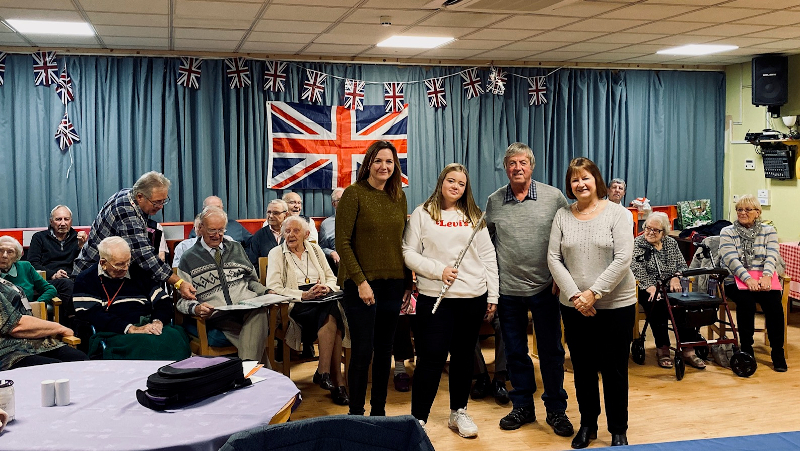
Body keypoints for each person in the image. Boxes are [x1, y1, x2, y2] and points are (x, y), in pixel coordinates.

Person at [403, 163, 499, 437]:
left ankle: (459, 411)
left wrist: (493, 294)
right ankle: (418, 418)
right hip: (435, 297)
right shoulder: (423, 213)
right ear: (441, 182)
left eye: (461, 183)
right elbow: (408, 252)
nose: (455, 186)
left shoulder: (473, 216)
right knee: (431, 358)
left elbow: (488, 258)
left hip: (472, 297)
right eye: (451, 180)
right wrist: (438, 270)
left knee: (463, 357)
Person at [547, 157, 636, 448]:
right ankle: (588, 424)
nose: (580, 184)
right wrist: (575, 295)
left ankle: (618, 429)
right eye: (574, 180)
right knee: (583, 368)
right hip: (574, 307)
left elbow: (623, 258)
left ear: (597, 180)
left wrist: (593, 293)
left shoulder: (618, 214)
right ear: (569, 186)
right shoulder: (562, 215)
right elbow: (553, 258)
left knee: (614, 369)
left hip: (616, 305)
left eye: (585, 178)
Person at [485, 142, 573, 437]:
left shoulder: (554, 197)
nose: (518, 168)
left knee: (551, 352)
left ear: (531, 166)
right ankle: (522, 405)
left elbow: (567, 239)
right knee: (515, 353)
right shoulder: (494, 201)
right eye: (512, 163)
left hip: (546, 289)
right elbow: (488, 246)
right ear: (506, 167)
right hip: (509, 291)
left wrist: (562, 278)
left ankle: (556, 409)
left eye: (523, 162)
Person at [336, 140, 411, 417]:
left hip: (393, 283)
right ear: (368, 163)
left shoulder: (398, 197)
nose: (384, 166)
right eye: (378, 160)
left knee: (385, 351)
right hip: (360, 285)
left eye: (389, 161)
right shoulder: (353, 194)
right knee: (363, 351)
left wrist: (407, 281)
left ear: (395, 166)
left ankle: (378, 411)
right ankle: (356, 412)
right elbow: (343, 244)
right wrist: (361, 282)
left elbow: (402, 242)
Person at [72, 171, 197, 301]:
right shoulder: (126, 211)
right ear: (140, 197)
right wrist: (179, 283)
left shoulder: (129, 194)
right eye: (156, 202)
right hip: (94, 276)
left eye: (163, 201)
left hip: (110, 273)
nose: (160, 207)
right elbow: (144, 255)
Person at [266, 215, 350, 406]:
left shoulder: (315, 249)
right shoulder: (276, 253)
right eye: (287, 231)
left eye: (296, 231)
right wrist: (303, 296)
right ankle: (337, 383)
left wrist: (326, 288)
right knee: (333, 314)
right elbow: (273, 287)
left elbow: (331, 278)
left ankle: (325, 373)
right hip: (296, 304)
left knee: (330, 308)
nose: (291, 235)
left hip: (321, 297)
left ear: (306, 234)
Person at [177, 206, 274, 364]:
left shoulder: (236, 248)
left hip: (247, 307)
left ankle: (246, 372)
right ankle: (252, 373)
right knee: (250, 335)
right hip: (218, 315)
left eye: (221, 230)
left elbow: (251, 281)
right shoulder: (188, 258)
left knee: (260, 312)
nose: (217, 235)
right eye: (212, 230)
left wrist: (267, 292)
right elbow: (182, 301)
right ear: (200, 228)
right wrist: (196, 308)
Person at [72, 237, 190, 360]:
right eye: (119, 264)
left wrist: (158, 321)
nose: (125, 268)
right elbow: (92, 315)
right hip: (116, 331)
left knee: (176, 337)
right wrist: (131, 328)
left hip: (148, 325)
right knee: (146, 346)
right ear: (103, 263)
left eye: (128, 262)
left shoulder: (138, 272)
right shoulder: (86, 279)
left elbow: (163, 301)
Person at [719, 194, 786, 372]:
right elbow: (731, 260)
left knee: (774, 305)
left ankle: (777, 352)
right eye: (739, 209)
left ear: (757, 212)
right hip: (736, 279)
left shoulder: (768, 231)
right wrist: (747, 279)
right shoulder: (727, 232)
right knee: (746, 303)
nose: (742, 213)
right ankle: (747, 349)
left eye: (747, 209)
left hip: (764, 277)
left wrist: (766, 276)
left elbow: (772, 255)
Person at [631, 212, 705, 369]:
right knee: (657, 305)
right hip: (647, 287)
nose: (650, 232)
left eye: (655, 230)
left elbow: (682, 266)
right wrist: (651, 287)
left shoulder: (671, 243)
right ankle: (663, 349)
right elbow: (636, 270)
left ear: (663, 232)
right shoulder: (638, 244)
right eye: (647, 228)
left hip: (671, 287)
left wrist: (675, 277)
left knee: (684, 305)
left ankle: (688, 349)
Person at [0, 278, 86, 370]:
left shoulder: (4, 282)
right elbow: (15, 326)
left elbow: (50, 289)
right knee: (58, 369)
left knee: (80, 360)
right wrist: (60, 328)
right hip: (7, 351)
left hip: (34, 344)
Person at [26, 205, 87, 323]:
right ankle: (74, 319)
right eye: (58, 219)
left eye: (66, 219)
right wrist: (53, 274)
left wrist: (81, 248)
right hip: (48, 280)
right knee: (66, 284)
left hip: (73, 278)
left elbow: (85, 264)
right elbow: (32, 264)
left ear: (71, 221)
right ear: (51, 222)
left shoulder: (78, 238)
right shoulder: (39, 237)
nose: (63, 223)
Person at [0, 236, 57, 305]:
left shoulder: (25, 267)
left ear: (16, 256)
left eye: (10, 252)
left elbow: (50, 289)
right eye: (0, 250)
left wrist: (37, 304)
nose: (4, 255)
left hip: (26, 312)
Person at [471, 312, 509, 405]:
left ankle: (500, 379)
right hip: (472, 303)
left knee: (505, 325)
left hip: (498, 305)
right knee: (466, 326)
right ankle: (481, 376)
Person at [188, 195, 252, 244]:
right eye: (211, 208)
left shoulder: (235, 226)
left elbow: (251, 243)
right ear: (204, 210)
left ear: (222, 208)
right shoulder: (199, 228)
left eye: (218, 208)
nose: (215, 211)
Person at [247, 199, 289, 267]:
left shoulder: (292, 233)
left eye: (276, 213)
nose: (271, 216)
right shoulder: (259, 236)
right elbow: (253, 264)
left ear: (286, 215)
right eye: (269, 212)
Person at [319, 187, 345, 271]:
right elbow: (322, 247)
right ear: (334, 204)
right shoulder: (326, 224)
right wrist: (331, 253)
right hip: (339, 264)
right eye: (341, 200)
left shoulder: (361, 220)